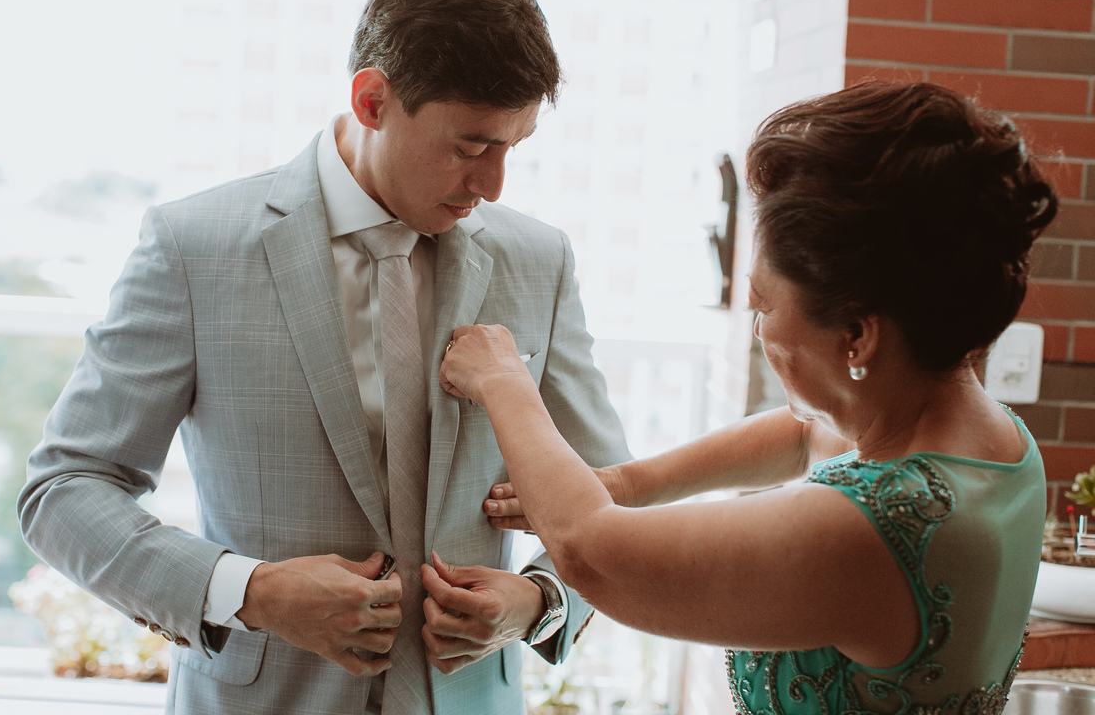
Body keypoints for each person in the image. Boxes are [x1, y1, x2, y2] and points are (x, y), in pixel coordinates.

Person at [18, 0, 629, 715]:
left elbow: (618, 495)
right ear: (372, 101)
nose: (494, 184)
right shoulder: (193, 247)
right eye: (471, 146)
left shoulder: (539, 261)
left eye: (514, 147)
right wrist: (253, 593)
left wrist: (537, 602)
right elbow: (64, 490)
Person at [440, 81, 1058, 715]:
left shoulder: (873, 529)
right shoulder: (997, 444)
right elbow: (806, 433)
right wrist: (625, 482)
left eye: (764, 306)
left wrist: (505, 381)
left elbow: (592, 553)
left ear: (857, 336)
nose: (758, 329)